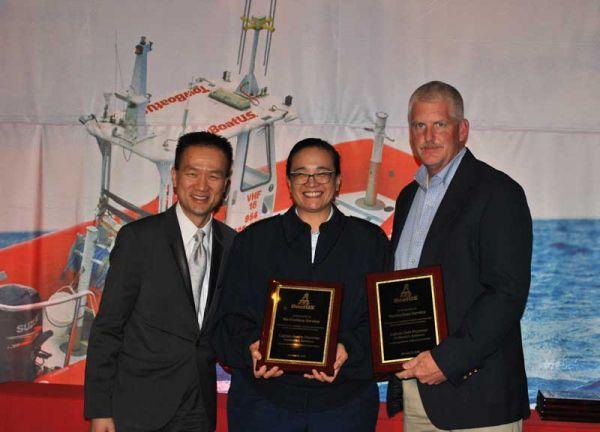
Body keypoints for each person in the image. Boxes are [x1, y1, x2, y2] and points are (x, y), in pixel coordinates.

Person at [213, 138, 389, 431]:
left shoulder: (370, 242)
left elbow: (383, 323)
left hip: (345, 405)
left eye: (322, 173)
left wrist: (348, 349)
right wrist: (251, 347)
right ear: (289, 181)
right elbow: (228, 317)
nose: (312, 181)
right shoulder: (254, 240)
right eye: (301, 173)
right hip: (264, 404)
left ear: (338, 181)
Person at [386, 81, 532, 431]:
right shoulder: (409, 197)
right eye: (420, 125)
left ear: (462, 130)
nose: (429, 136)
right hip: (416, 389)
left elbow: (506, 295)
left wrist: (447, 361)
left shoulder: (498, 192)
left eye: (441, 124)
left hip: (476, 394)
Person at [84, 132, 236, 432]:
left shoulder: (232, 243)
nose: (202, 185)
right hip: (139, 405)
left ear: (226, 185)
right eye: (193, 173)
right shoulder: (138, 239)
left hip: (198, 406)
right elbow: (108, 327)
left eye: (214, 176)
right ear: (176, 177)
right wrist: (100, 408)